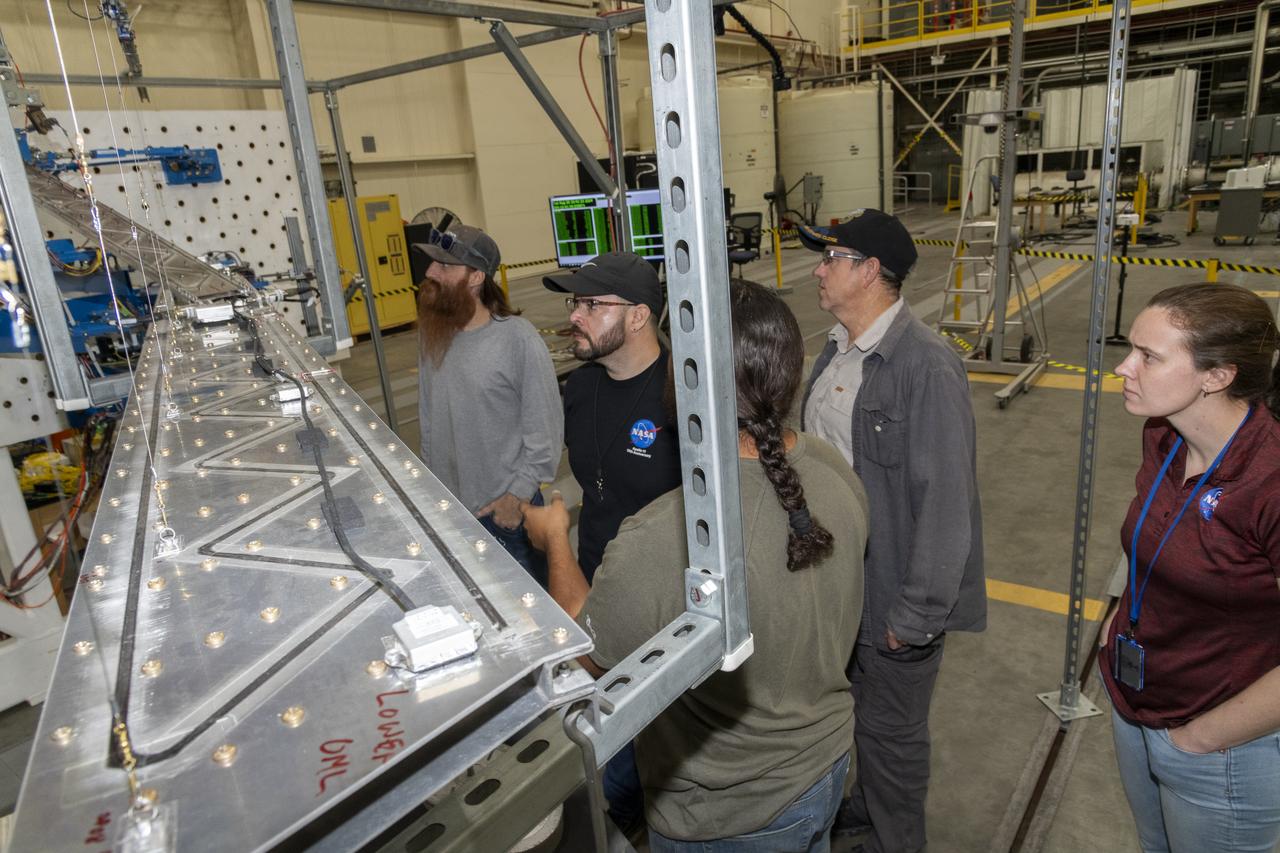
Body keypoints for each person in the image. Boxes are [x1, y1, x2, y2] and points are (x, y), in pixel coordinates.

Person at [523, 279, 869, 852]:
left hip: (730, 815)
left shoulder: (670, 536)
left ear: (685, 384)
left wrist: (556, 541)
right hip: (826, 764)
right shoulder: (833, 467)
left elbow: (588, 652)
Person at [797, 210, 986, 853]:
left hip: (891, 593)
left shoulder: (925, 366)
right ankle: (867, 806)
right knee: (857, 717)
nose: (818, 270)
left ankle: (896, 839)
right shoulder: (836, 349)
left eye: (831, 259)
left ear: (870, 271)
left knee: (893, 734)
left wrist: (919, 612)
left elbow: (947, 503)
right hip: (839, 583)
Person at [1101, 282, 1280, 853]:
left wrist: (1201, 739)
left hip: (1220, 744)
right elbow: (1153, 544)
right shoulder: (1163, 436)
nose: (1124, 368)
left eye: (1148, 356)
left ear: (1217, 376)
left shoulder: (1270, 483)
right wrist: (1114, 630)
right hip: (1137, 701)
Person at [542, 251, 683, 833]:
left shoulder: (682, 394)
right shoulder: (580, 388)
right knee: (612, 747)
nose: (575, 315)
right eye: (575, 302)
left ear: (638, 316)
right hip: (596, 587)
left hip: (664, 605)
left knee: (659, 751)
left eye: (592, 304)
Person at [413, 224, 562, 587]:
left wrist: (516, 498)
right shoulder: (433, 335)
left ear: (476, 277)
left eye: (444, 266)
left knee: (528, 615)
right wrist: (432, 492)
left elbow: (545, 433)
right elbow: (429, 422)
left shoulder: (517, 339)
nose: (430, 273)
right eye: (433, 264)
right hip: (452, 514)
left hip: (506, 516)